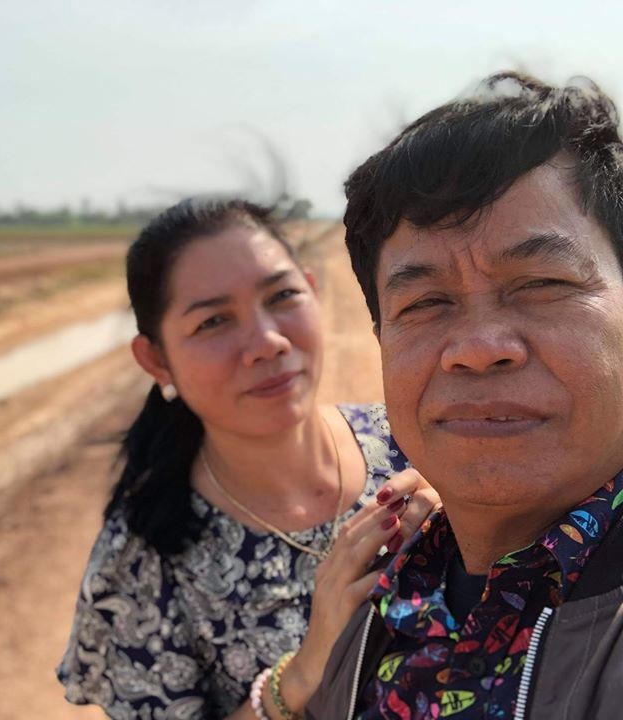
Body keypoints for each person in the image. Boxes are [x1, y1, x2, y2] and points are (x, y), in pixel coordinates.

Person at [305, 71, 623, 720]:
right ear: (381, 338)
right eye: (425, 303)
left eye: (541, 283)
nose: (477, 347)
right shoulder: (373, 591)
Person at [56, 198, 440, 719]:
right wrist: (302, 673)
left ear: (313, 291)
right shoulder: (142, 560)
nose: (267, 342)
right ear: (156, 359)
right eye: (214, 321)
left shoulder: (415, 447)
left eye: (282, 296)